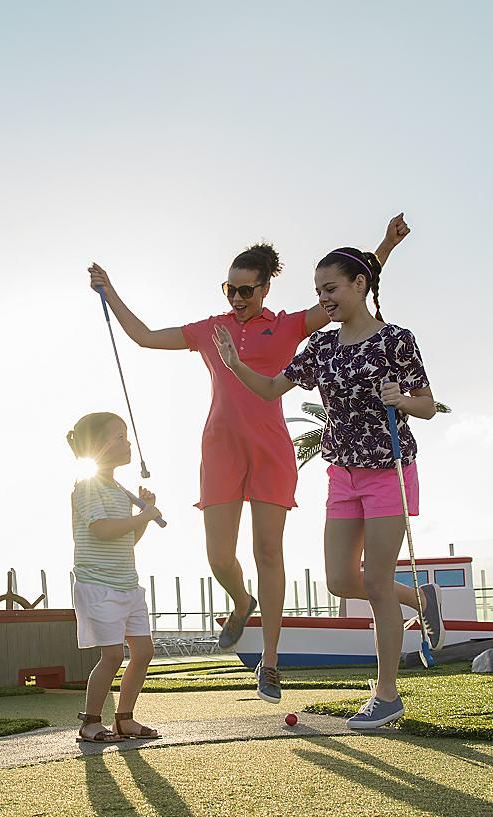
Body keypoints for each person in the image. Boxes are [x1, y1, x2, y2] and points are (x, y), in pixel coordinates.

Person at [86, 216, 410, 706]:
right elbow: (146, 336)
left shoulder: (288, 327)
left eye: (244, 291)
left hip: (271, 450)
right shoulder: (209, 329)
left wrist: (386, 244)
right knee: (219, 556)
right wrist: (109, 291)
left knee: (267, 553)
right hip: (219, 449)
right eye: (229, 289)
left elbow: (348, 288)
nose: (235, 299)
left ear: (263, 288)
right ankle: (242, 601)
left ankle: (271, 663)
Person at [214, 247, 439, 730]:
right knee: (340, 579)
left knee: (375, 580)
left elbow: (427, 404)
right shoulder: (322, 349)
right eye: (319, 292)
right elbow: (273, 389)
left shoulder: (397, 341)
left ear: (359, 285)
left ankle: (386, 694)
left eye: (331, 289)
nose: (325, 299)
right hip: (343, 476)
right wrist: (235, 365)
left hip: (388, 471)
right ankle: (419, 599)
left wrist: (402, 399)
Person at [67, 413, 164, 743]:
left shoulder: (121, 492)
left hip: (127, 584)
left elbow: (127, 539)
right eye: (119, 437)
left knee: (144, 652)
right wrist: (144, 514)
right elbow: (102, 530)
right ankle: (91, 722)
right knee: (111, 655)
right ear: (97, 446)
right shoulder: (87, 487)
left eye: (126, 436)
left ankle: (124, 719)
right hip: (98, 585)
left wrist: (144, 517)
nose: (128, 443)